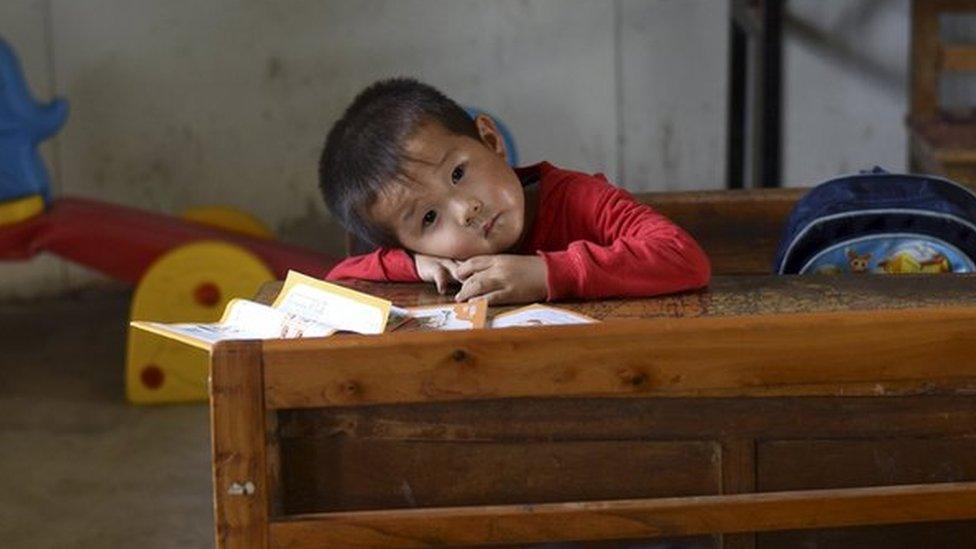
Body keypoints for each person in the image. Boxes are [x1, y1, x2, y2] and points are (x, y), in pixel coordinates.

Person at [319, 77, 710, 305]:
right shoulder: (436, 261)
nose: (467, 209)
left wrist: (546, 274)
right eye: (429, 218)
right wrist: (414, 264)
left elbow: (684, 257)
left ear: (490, 141)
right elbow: (338, 282)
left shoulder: (577, 198)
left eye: (457, 174)